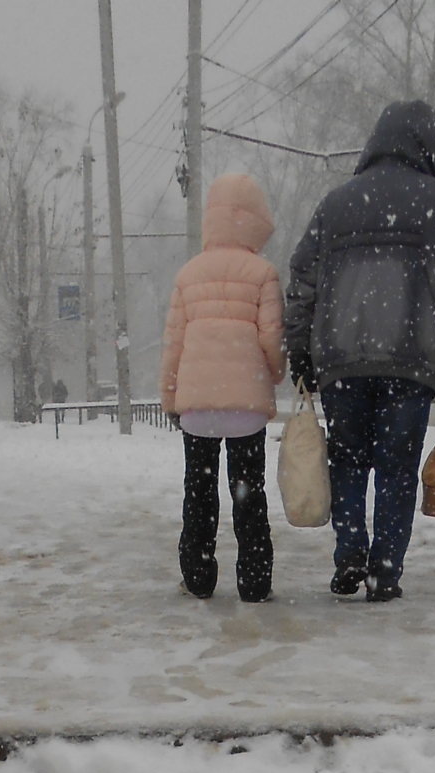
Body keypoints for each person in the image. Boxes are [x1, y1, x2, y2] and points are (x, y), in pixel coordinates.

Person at [285, 99, 435, 602]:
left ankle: (350, 549)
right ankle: (385, 570)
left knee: (349, 459)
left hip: (341, 360)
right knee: (397, 468)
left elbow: (302, 282)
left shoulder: (335, 204)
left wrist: (300, 349)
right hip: (410, 359)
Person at [159, 174, 285, 602]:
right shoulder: (263, 273)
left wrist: (170, 396)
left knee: (199, 491)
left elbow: (173, 344)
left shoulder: (188, 275)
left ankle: (197, 575)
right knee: (248, 493)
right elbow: (271, 336)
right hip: (246, 404)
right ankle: (254, 580)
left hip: (198, 407)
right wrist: (276, 371)